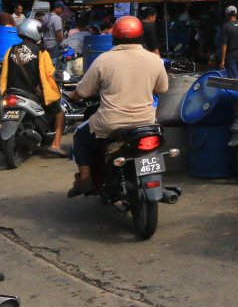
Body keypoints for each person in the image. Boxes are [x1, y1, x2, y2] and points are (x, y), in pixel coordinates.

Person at [65, 16, 168, 198]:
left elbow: (83, 91)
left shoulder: (104, 60)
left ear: (115, 37)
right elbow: (162, 88)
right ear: (140, 36)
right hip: (146, 123)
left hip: (111, 125)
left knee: (80, 136)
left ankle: (86, 179)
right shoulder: (154, 60)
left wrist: (72, 96)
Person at [0, 18, 67, 157]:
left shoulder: (10, 51)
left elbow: (4, 75)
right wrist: (52, 91)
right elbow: (49, 74)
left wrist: (3, 93)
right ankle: (55, 145)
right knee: (60, 114)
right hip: (31, 94)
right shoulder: (41, 52)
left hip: (12, 93)